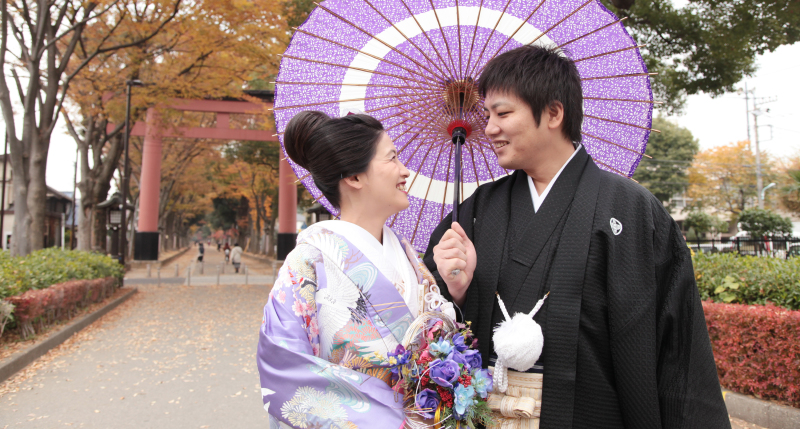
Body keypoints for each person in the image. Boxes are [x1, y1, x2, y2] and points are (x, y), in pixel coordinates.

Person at [424, 45, 730, 428]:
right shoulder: (477, 210)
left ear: (553, 113)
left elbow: (677, 348)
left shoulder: (630, 210)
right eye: (486, 115)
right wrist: (457, 292)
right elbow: (427, 317)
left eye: (502, 113)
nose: (489, 128)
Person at [257, 111, 453, 428]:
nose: (405, 171)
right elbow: (283, 365)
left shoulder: (406, 254)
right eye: (392, 159)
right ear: (354, 177)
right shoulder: (307, 262)